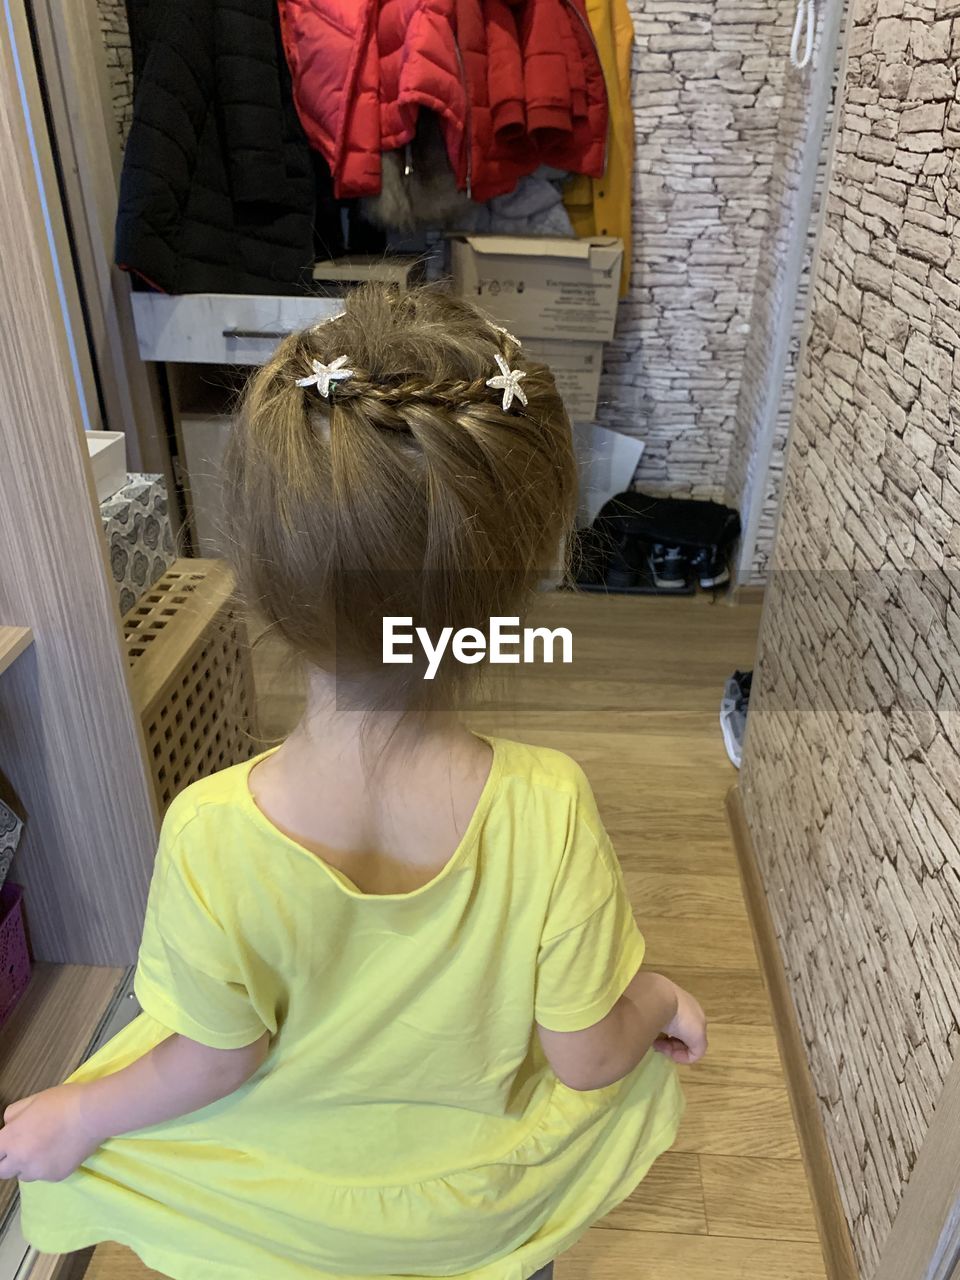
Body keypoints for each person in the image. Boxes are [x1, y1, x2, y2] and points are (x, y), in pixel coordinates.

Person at [5, 286, 707, 1280]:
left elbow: (213, 1058)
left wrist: (72, 1112)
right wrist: (659, 993)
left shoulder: (209, 829)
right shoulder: (547, 806)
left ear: (261, 570)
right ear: (519, 583)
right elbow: (588, 1055)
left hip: (279, 1226)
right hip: (471, 1217)